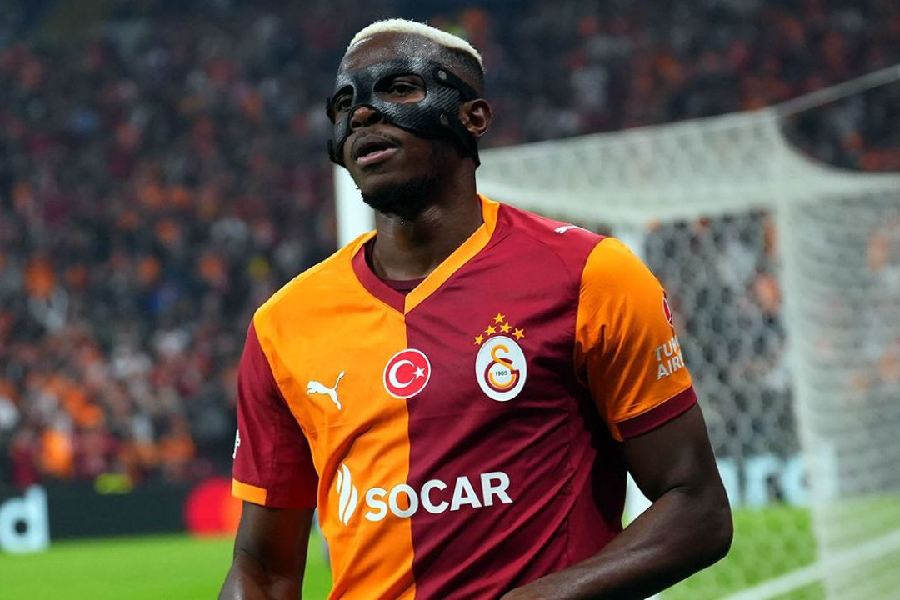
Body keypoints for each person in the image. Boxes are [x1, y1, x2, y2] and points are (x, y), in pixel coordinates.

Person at [219, 18, 731, 600]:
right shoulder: (284, 325)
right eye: (344, 104)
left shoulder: (590, 276)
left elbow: (697, 508)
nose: (362, 113)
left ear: (474, 116)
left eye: (399, 88)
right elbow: (262, 567)